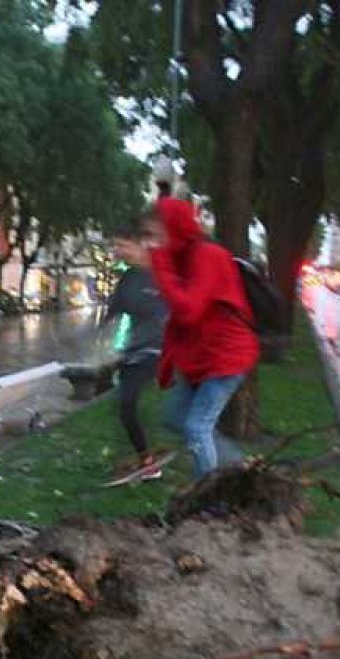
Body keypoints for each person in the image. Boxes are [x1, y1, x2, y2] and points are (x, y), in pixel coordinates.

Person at [148, 196, 260, 479]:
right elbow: (177, 322)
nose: (154, 241)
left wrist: (160, 263)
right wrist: (165, 367)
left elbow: (188, 311)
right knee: (177, 418)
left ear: (174, 227)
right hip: (201, 357)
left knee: (197, 427)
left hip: (227, 355)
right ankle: (237, 470)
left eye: (158, 232)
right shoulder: (181, 260)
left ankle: (207, 496)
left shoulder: (207, 256)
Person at [101, 215, 170, 487]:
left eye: (122, 245)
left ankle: (148, 460)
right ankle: (140, 456)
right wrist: (98, 341)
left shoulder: (163, 275)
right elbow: (113, 314)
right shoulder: (128, 279)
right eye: (115, 247)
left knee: (131, 402)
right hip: (132, 352)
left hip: (159, 351)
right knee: (123, 407)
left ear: (140, 244)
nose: (118, 251)